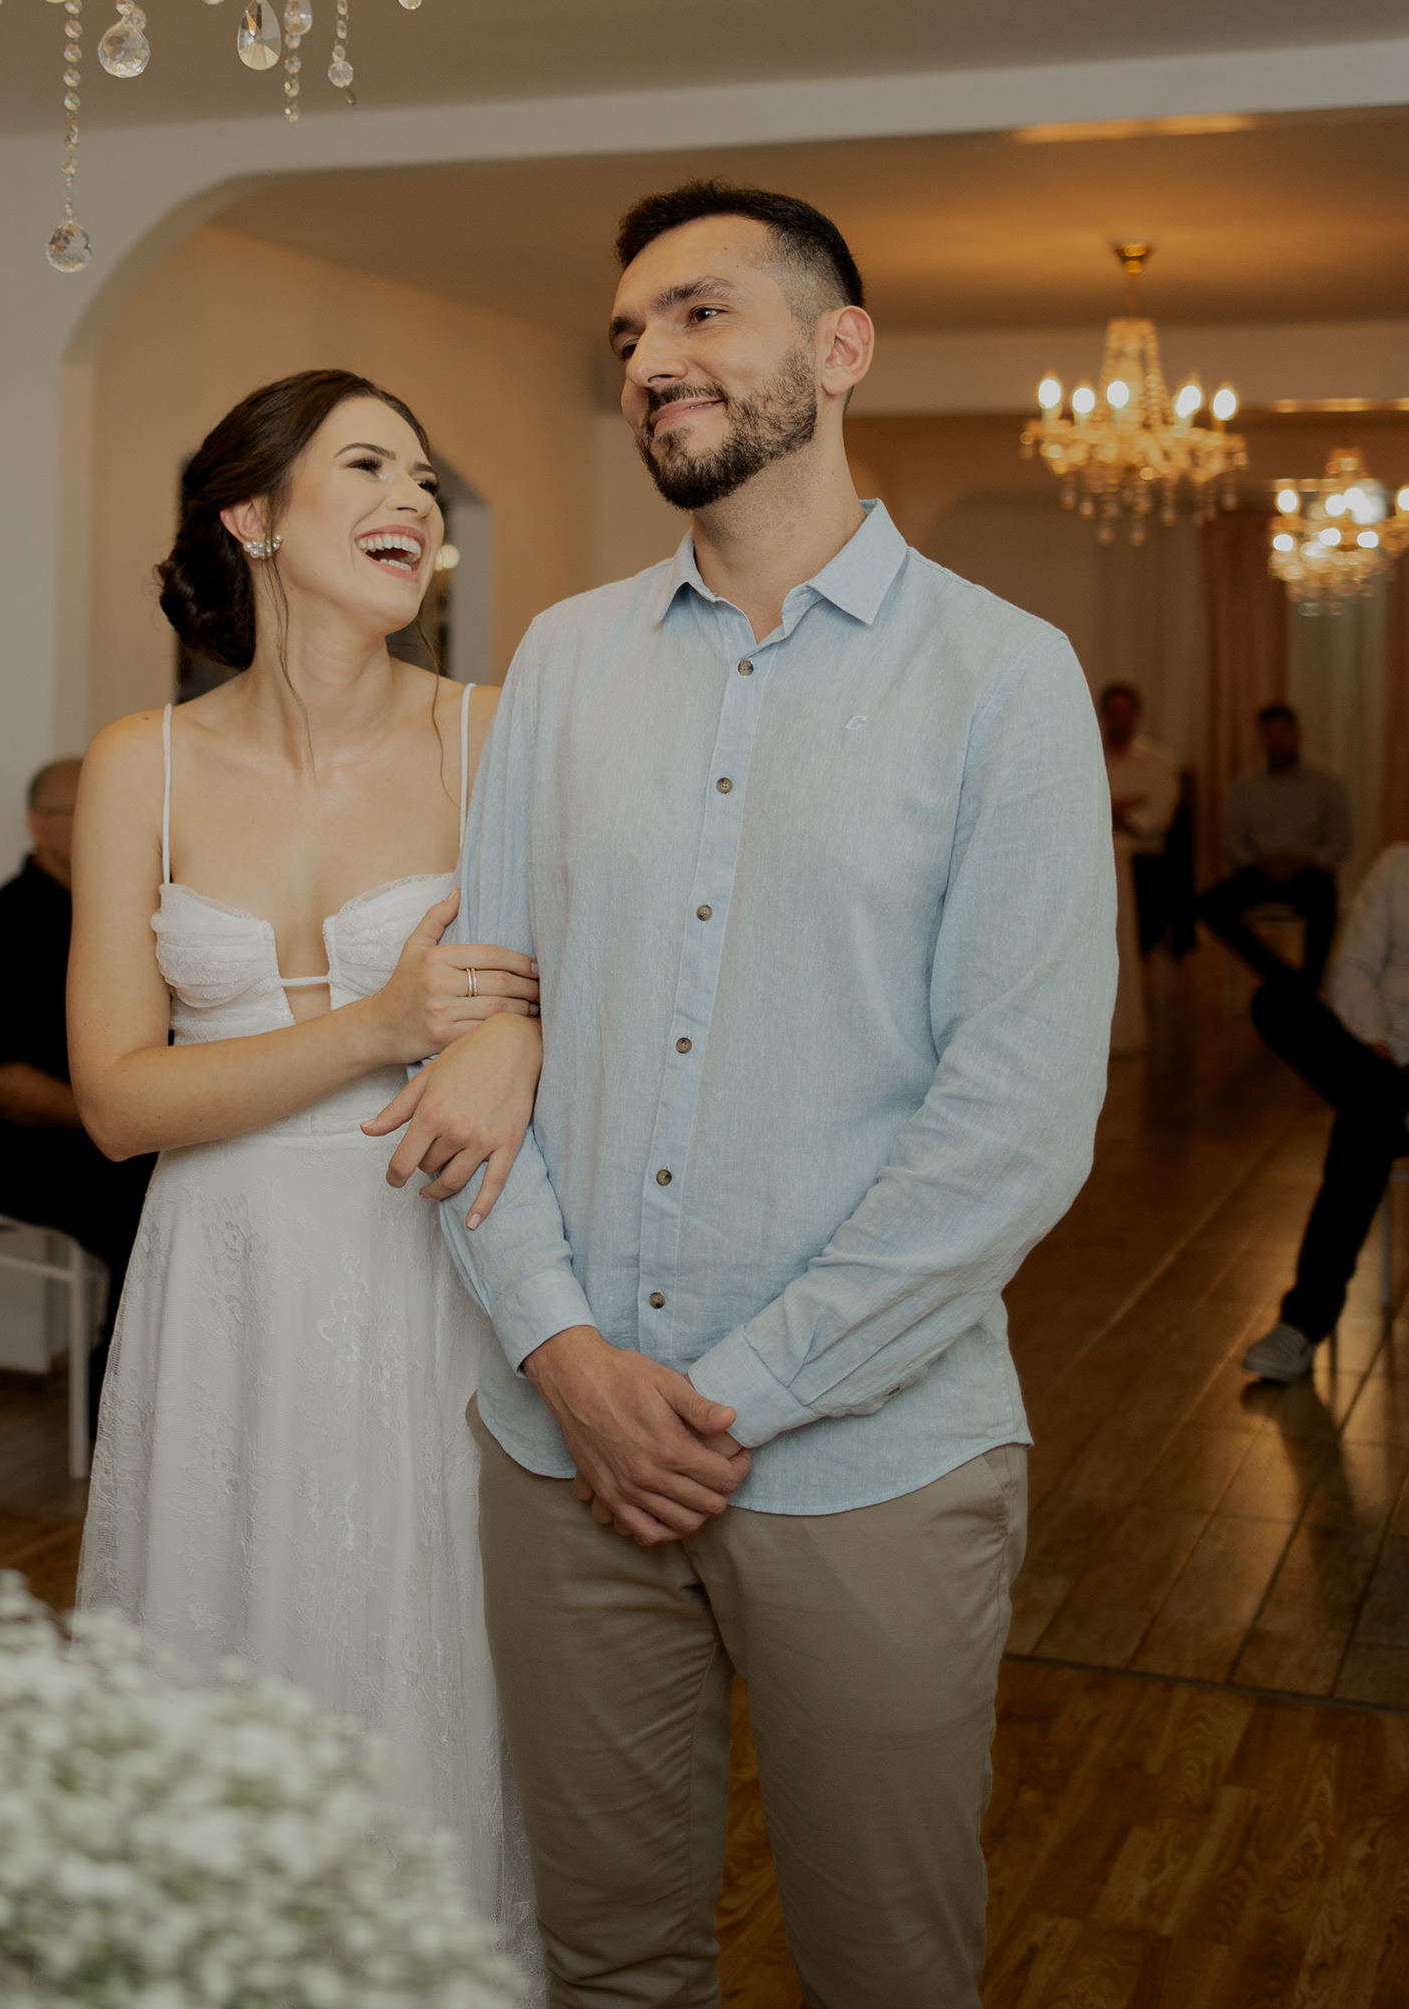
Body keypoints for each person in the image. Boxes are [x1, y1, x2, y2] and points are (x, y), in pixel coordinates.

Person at [436, 180, 1115, 2009]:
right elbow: (478, 1034)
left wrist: (723, 1400)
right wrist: (569, 1360)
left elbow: (1017, 1121)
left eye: (701, 313)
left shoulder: (1002, 679)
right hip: (561, 1452)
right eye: (629, 336)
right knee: (609, 1964)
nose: (651, 360)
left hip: (867, 1464)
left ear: (841, 347)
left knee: (886, 1968)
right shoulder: (561, 662)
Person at [67, 370, 546, 1982]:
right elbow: (118, 1101)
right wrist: (381, 1026)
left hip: (432, 1260)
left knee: (419, 1652)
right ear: (252, 515)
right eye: (367, 465)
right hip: (217, 1281)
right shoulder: (142, 763)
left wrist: (511, 1032)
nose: (413, 498)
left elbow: (587, 1004)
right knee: (222, 1639)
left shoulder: (489, 735)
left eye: (424, 475)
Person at [0, 759, 154, 1431]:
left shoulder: (125, 914)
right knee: (148, 1207)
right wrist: (116, 1116)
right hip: (20, 1148)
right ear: (39, 825)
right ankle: (118, 1422)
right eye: (87, 811)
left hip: (115, 1134)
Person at [1240, 839, 1409, 1382]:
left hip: (1380, 1086)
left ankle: (1302, 1323)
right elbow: (1354, 966)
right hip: (1379, 1059)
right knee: (1276, 1001)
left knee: (1366, 1119)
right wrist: (1377, 1044)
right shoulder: (1397, 865)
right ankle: (1386, 1096)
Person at [1199, 703, 1352, 991]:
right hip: (1260, 871)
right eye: (1269, 734)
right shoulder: (1245, 786)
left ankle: (1310, 986)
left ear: (1298, 734)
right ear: (1262, 738)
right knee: (1210, 905)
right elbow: (1233, 841)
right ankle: (1282, 976)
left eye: (1283, 733)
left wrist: (1306, 861)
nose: (1277, 741)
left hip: (1308, 872)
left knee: (1325, 903)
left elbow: (1341, 841)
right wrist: (1259, 863)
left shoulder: (1326, 784)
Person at [1101, 682, 1182, 1056]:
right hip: (1096, 859)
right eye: (1113, 712)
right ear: (1104, 714)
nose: (1119, 720)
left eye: (1126, 712)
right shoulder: (1088, 752)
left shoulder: (1159, 760)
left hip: (1144, 863)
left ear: (1137, 715)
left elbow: (1158, 817)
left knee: (1143, 915)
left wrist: (1112, 809)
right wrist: (1127, 805)